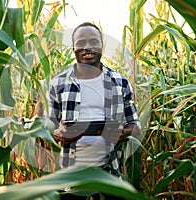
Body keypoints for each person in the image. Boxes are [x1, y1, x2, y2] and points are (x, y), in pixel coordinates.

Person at [47, 22, 140, 200]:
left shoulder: (120, 82)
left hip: (111, 172)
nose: (87, 47)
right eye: (81, 42)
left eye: (93, 42)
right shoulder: (58, 84)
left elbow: (134, 125)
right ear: (73, 47)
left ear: (101, 46)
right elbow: (48, 126)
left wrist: (123, 132)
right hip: (71, 174)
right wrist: (59, 133)